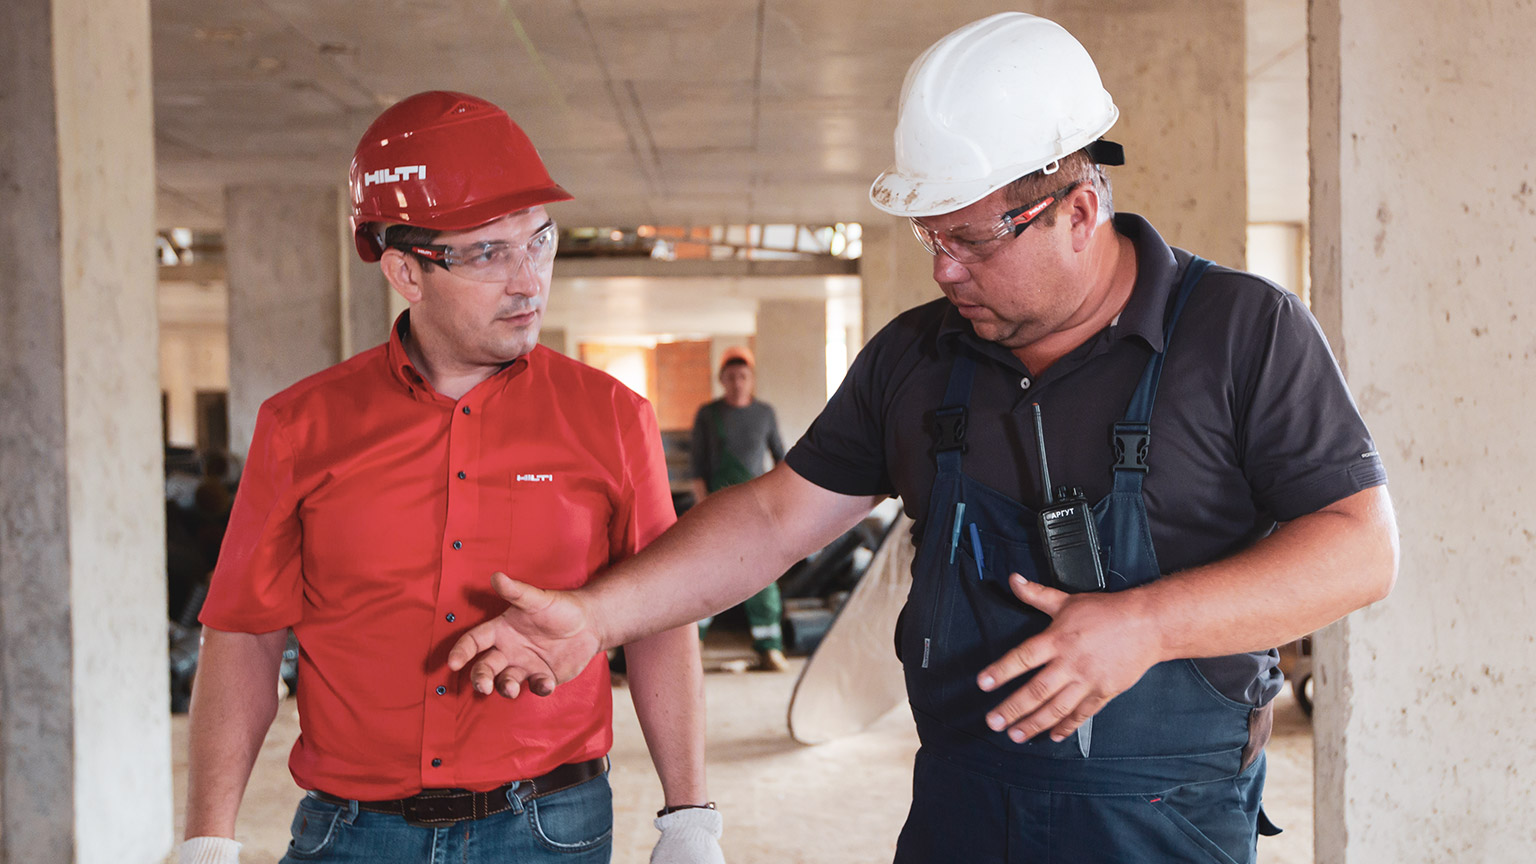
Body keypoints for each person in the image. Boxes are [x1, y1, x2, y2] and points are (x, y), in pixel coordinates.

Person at [447, 13, 1399, 864]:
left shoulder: (1241, 331)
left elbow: (1360, 547)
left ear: (1078, 209)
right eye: (928, 237)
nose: (945, 269)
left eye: (974, 242)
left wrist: (1149, 624)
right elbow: (777, 520)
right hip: (959, 806)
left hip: (1163, 817)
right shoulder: (916, 357)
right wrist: (600, 618)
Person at [179, 91, 724, 864]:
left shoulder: (611, 417)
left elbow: (663, 617)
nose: (528, 281)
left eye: (538, 241)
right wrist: (208, 837)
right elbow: (245, 632)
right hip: (352, 833)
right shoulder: (301, 427)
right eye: (486, 253)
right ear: (405, 270)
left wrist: (689, 816)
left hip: (549, 827)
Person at [688, 347, 788, 671]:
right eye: (730, 377)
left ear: (751, 379)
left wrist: (779, 503)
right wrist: (702, 509)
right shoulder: (708, 414)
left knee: (763, 576)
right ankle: (692, 647)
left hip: (756, 508)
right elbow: (697, 468)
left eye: (742, 376)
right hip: (717, 506)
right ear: (722, 380)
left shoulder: (765, 414)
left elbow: (782, 460)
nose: (737, 382)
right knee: (707, 575)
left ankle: (769, 647)